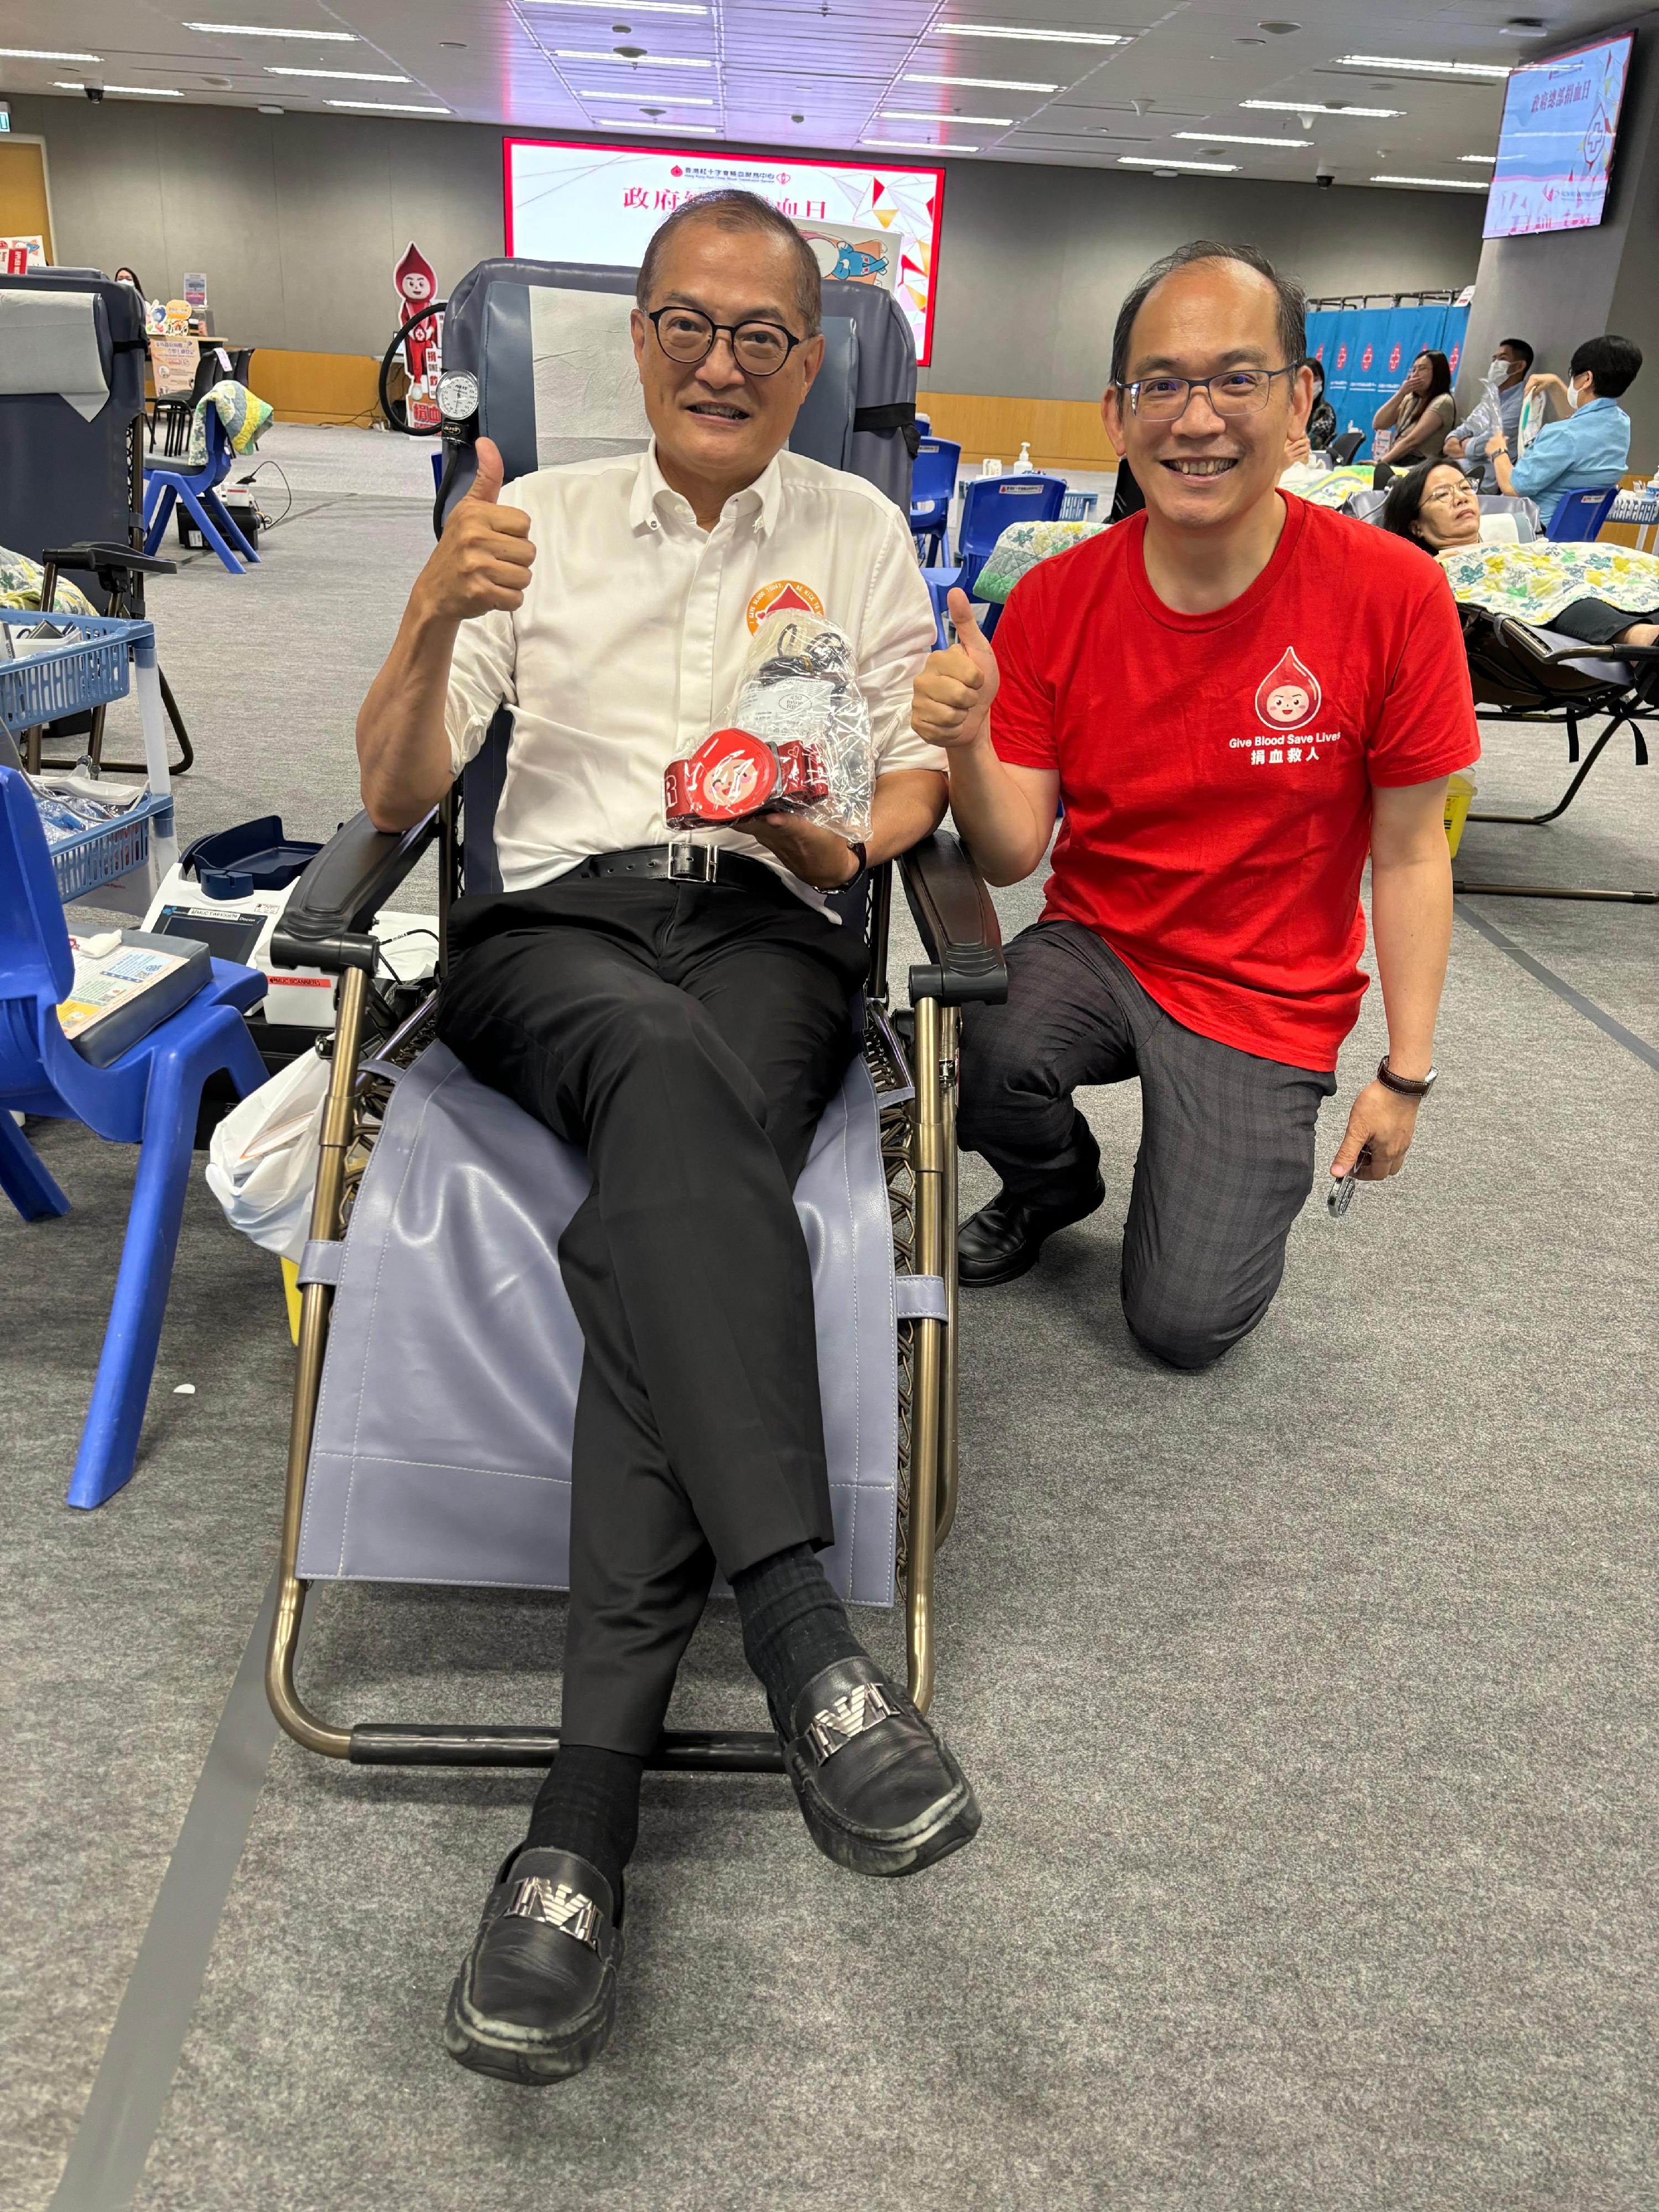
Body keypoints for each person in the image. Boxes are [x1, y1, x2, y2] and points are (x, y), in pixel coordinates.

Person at [356, 187, 975, 2088]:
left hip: (777, 926)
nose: (723, 362)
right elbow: (391, 790)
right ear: (634, 344)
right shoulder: (522, 529)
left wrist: (849, 822)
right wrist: (423, 618)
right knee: (650, 1068)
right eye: (689, 327)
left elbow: (901, 797)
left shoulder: (860, 531)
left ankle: (580, 1830)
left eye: (765, 336)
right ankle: (800, 1637)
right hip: (553, 935)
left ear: (816, 362)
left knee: (671, 1178)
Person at [910, 239, 1479, 1369]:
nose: (1197, 417)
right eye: (1161, 384)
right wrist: (969, 736)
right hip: (1104, 940)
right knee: (977, 1045)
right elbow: (1015, 850)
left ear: (1301, 399)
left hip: (1266, 992)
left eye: (1236, 379)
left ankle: (1208, 1153)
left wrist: (1405, 1072)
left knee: (1182, 1327)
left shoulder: (1394, 592)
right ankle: (1057, 1182)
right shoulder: (1060, 593)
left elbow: (1413, 853)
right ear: (1118, 414)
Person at [1383, 456, 1659, 656]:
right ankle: (1641, 640)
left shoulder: (1511, 548)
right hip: (1535, 635)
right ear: (1416, 525)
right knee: (1555, 586)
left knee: (1610, 562)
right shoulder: (1435, 573)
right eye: (1442, 494)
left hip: (1570, 588)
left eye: (1465, 488)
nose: (1461, 498)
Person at [1484, 335, 1642, 526]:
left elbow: (1512, 487)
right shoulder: (1621, 424)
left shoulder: (1563, 434)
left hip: (1533, 530)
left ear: (1587, 378)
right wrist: (1555, 384)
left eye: (1573, 374)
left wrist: (1498, 451)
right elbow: (1579, 424)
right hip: (1573, 532)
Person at [1444, 336, 1533, 461]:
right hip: (1461, 464)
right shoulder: (1492, 396)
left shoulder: (1523, 401)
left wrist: (1464, 445)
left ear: (1519, 366)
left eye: (1502, 359)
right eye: (1494, 359)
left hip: (1487, 474)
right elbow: (1466, 428)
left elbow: (1493, 440)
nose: (1495, 364)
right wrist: (1455, 441)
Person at [1373, 349, 1455, 466]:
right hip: (1397, 459)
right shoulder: (1411, 399)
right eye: (1414, 370)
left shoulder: (1443, 402)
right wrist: (1401, 394)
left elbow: (1412, 441)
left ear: (1438, 373)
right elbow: (1378, 424)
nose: (1415, 375)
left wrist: (1380, 464)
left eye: (1422, 369)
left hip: (1418, 466)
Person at [1287, 357, 1337, 465]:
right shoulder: (1290, 408)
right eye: (1306, 379)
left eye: (1316, 378)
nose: (1311, 383)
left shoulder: (1325, 412)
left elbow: (1309, 445)